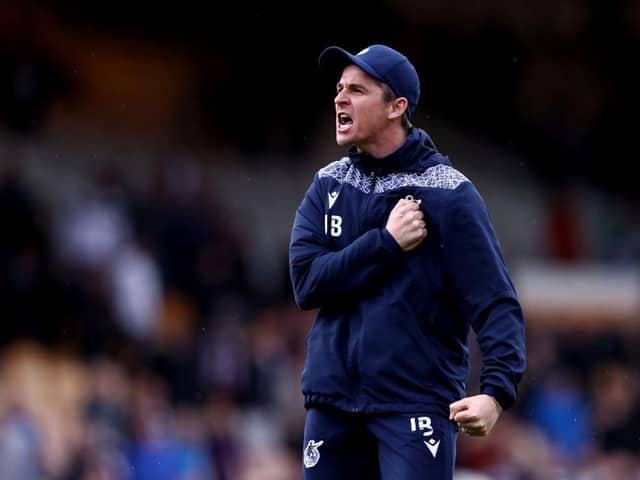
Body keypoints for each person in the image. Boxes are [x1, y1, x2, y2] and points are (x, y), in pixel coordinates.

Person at [288, 44, 526, 479]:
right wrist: (386, 242)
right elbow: (306, 284)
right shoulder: (326, 185)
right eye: (339, 89)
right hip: (332, 405)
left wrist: (495, 394)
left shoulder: (450, 194)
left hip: (414, 405)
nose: (340, 98)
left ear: (397, 106)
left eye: (357, 90)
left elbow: (496, 303)